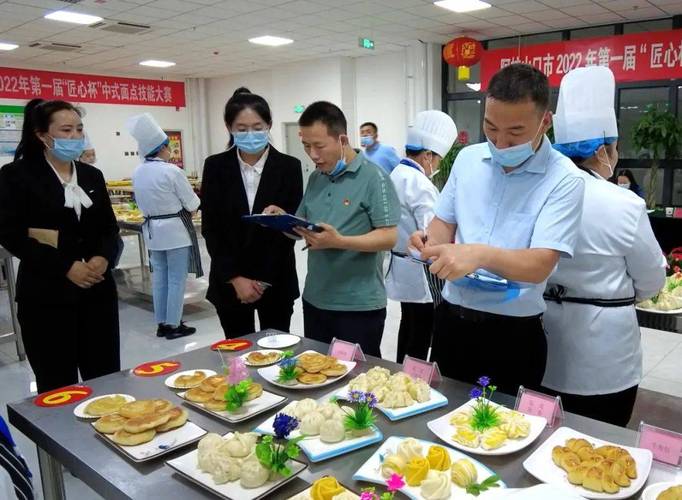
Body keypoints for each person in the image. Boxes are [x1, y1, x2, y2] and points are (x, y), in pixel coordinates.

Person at [410, 64, 585, 396]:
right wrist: (429, 242)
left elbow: (539, 265)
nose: (501, 143)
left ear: (545, 122)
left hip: (513, 335)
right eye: (490, 128)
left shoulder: (564, 178)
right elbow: (443, 223)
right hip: (452, 323)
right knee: (441, 423)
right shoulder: (468, 160)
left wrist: (478, 255)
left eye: (515, 133)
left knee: (505, 436)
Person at [543, 66, 666, 427]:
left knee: (547, 441)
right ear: (603, 151)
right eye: (614, 147)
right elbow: (651, 281)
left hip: (544, 341)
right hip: (606, 353)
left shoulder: (538, 193)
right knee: (603, 444)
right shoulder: (624, 203)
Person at [0, 100, 120, 393]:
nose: (75, 136)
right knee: (57, 385)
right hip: (46, 297)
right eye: (66, 130)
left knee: (105, 381)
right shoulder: (17, 176)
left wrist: (104, 257)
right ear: (43, 135)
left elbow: (109, 228)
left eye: (79, 129)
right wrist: (66, 266)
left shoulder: (92, 175)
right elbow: (12, 235)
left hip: (97, 293)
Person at [288, 102, 400, 357]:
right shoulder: (317, 177)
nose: (313, 154)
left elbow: (389, 236)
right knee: (317, 374)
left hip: (358, 306)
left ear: (342, 139)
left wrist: (339, 241)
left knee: (359, 384)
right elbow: (303, 222)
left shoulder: (375, 178)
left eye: (319, 146)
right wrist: (282, 222)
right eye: (306, 146)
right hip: (316, 298)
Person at [201, 88, 302, 337]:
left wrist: (261, 282)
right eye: (242, 128)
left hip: (276, 280)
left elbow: (291, 229)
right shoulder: (215, 167)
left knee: (278, 354)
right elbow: (211, 229)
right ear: (229, 127)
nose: (251, 134)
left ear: (269, 125)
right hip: (229, 282)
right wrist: (236, 278)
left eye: (257, 127)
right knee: (238, 357)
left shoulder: (289, 167)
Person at [386, 110, 457, 363]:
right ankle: (412, 381)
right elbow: (433, 234)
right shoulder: (420, 183)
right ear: (428, 156)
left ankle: (399, 371)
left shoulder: (395, 174)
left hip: (400, 264)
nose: (436, 166)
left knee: (409, 325)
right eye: (437, 159)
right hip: (420, 270)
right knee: (421, 332)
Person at [128, 113, 201, 340]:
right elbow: (192, 202)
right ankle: (173, 324)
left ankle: (161, 322)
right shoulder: (172, 171)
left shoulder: (138, 172)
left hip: (152, 230)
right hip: (175, 230)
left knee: (159, 277)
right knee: (177, 278)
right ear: (162, 148)